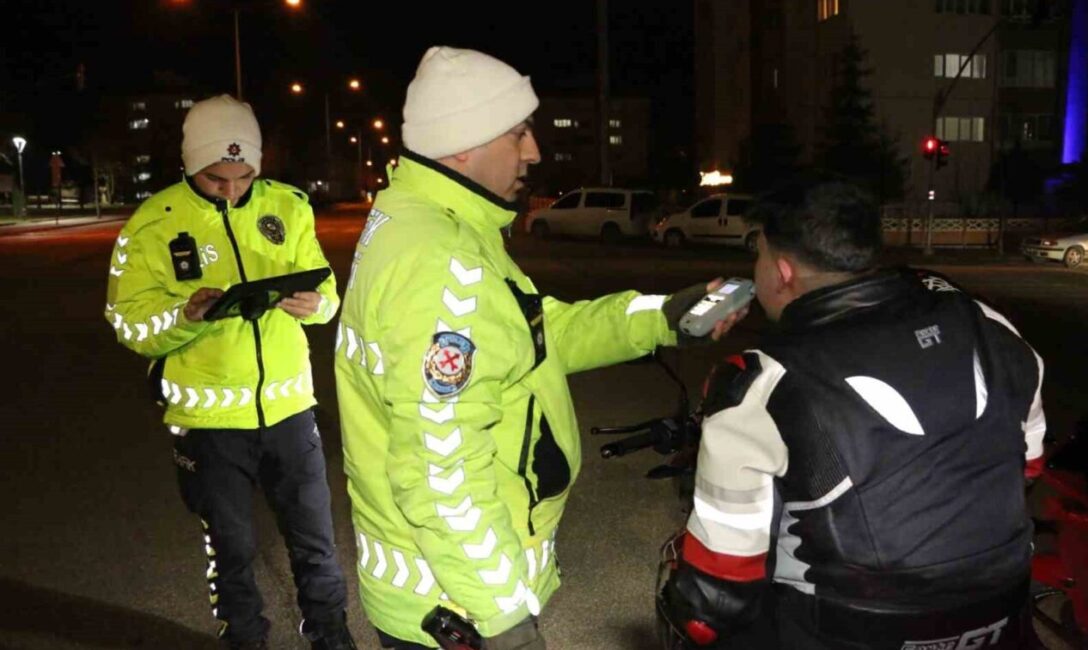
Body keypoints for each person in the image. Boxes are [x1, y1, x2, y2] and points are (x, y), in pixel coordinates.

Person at [334, 46, 743, 649]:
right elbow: (439, 470)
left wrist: (662, 317)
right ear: (463, 143)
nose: (535, 152)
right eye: (519, 133)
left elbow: (530, 335)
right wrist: (504, 621)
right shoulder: (441, 264)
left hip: (441, 588)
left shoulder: (432, 222)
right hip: (456, 603)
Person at [661, 182, 1046, 649]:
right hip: (1001, 612)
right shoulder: (988, 324)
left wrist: (687, 606)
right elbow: (1027, 466)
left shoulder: (759, 382)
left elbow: (724, 576)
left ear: (782, 271)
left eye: (756, 253)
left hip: (843, 629)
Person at [104, 94, 356, 650]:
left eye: (245, 176)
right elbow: (127, 323)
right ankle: (244, 639)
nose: (233, 189)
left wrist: (318, 306)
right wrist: (185, 315)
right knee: (232, 550)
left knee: (317, 543)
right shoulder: (152, 223)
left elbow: (327, 288)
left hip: (290, 409)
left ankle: (332, 637)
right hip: (208, 422)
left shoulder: (288, 206)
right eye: (218, 178)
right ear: (191, 165)